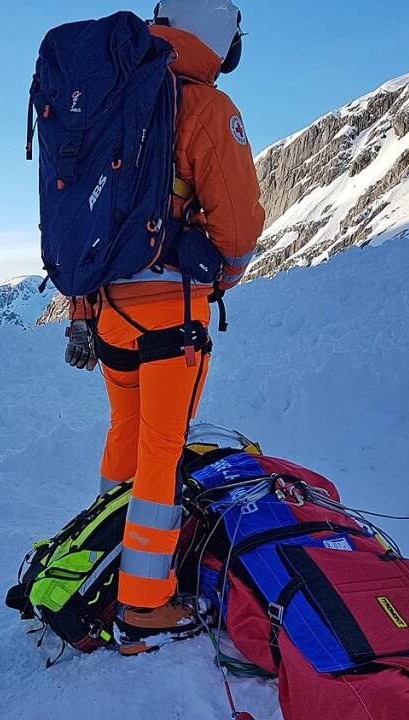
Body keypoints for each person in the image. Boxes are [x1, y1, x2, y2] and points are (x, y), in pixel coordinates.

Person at [64, 0, 265, 654]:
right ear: (220, 33)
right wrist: (218, 277)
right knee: (161, 450)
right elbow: (237, 229)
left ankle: (103, 569)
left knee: (125, 433)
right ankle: (143, 603)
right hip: (172, 312)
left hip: (106, 308)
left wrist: (83, 311)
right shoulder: (207, 107)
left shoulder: (108, 93)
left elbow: (78, 215)